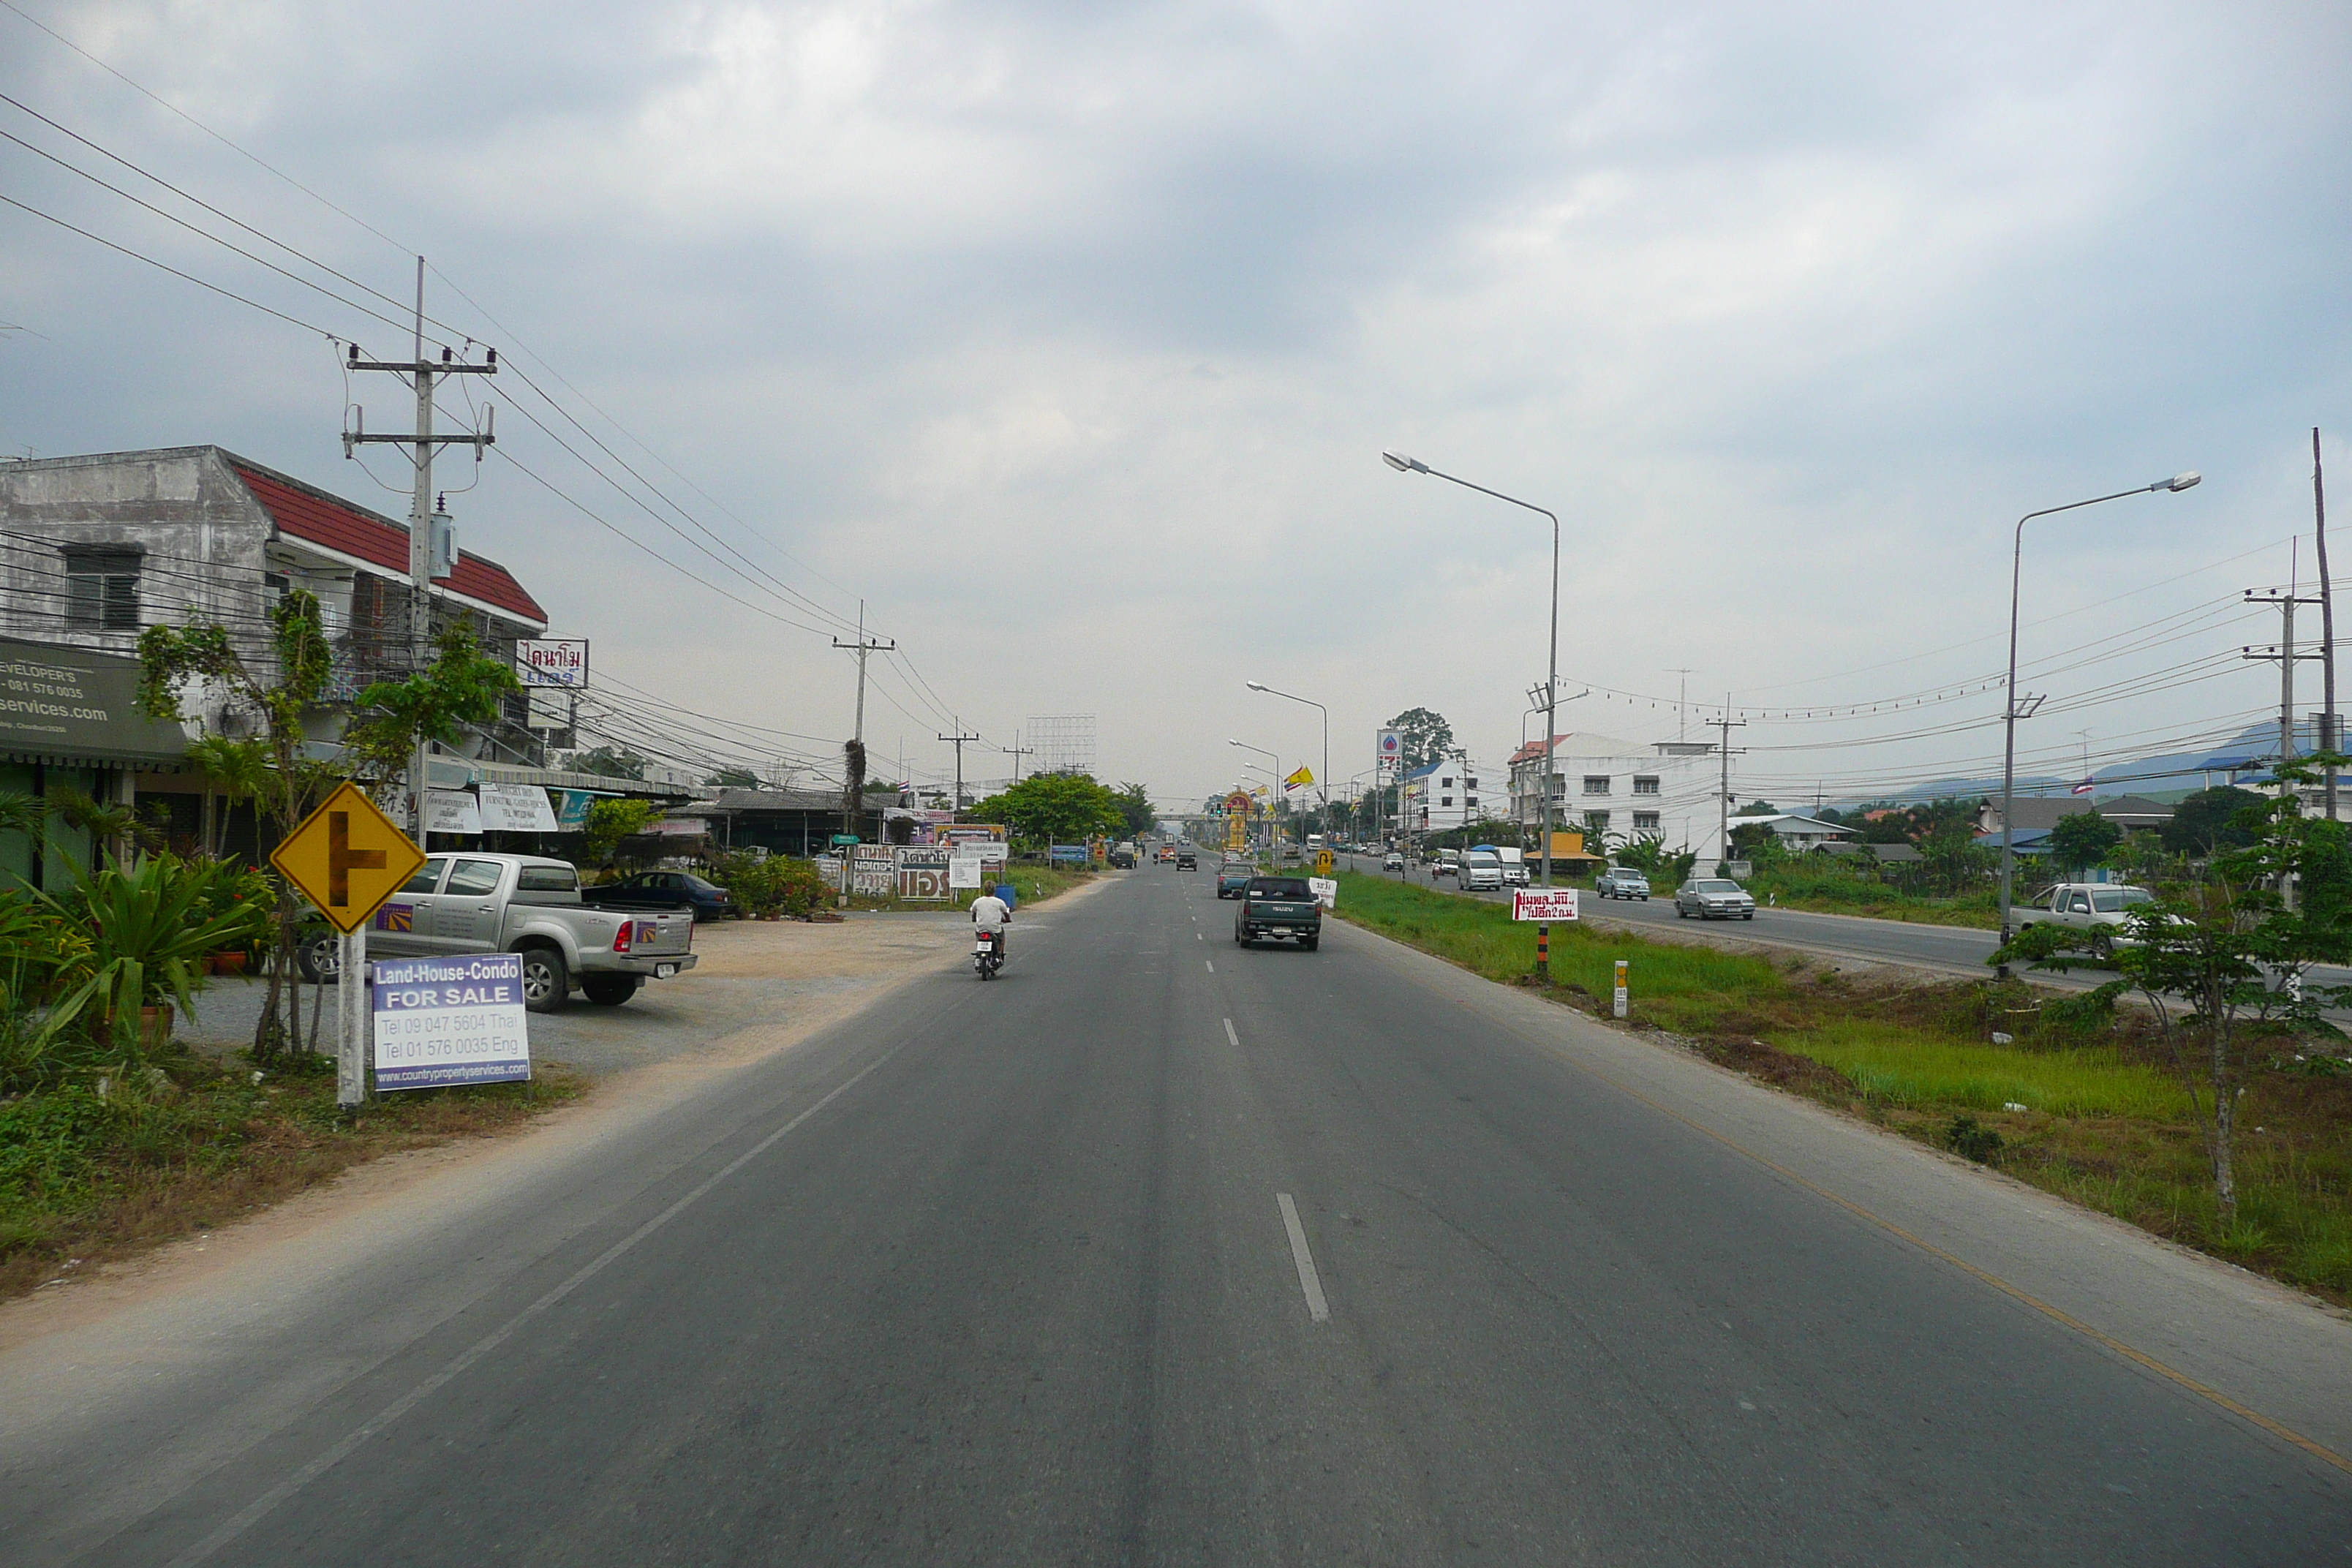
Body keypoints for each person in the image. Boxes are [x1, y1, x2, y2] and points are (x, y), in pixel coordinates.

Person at [970, 886, 1011, 961]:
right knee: (1002, 938)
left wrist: (974, 919)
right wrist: (1007, 920)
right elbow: (1006, 914)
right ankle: (999, 953)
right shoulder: (999, 902)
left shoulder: (978, 901)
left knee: (978, 937)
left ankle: (979, 951)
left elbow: (974, 912)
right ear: (994, 891)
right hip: (995, 929)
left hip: (981, 928)